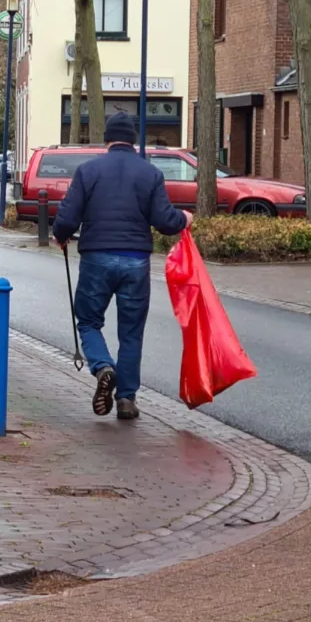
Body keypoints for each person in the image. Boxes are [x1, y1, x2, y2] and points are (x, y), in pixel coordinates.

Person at [52, 112, 192, 420]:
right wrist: (185, 219)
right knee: (131, 332)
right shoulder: (150, 173)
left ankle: (103, 367)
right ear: (133, 141)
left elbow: (67, 217)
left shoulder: (88, 171)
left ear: (107, 140)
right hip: (136, 261)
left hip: (97, 258)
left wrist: (60, 236)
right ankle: (126, 399)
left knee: (88, 321)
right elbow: (164, 221)